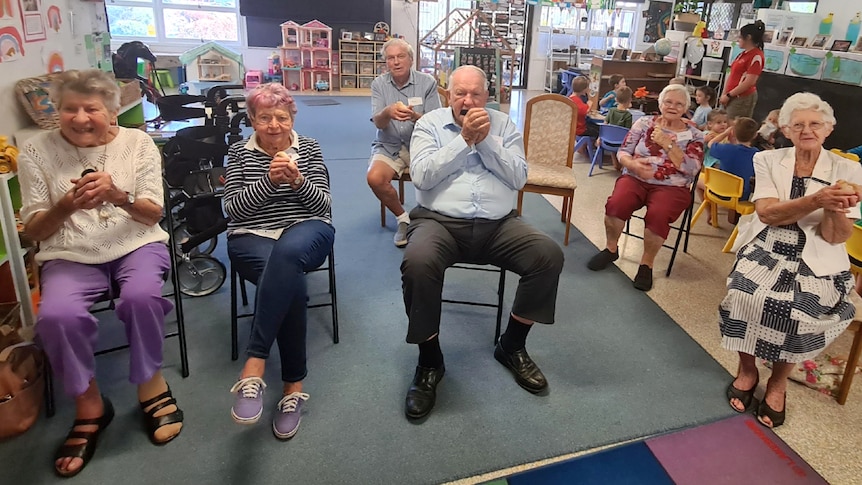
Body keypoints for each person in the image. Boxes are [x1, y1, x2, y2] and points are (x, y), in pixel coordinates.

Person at [17, 69, 183, 477]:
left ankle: (150, 383)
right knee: (55, 316)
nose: (79, 117)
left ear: (111, 112)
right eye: (69, 108)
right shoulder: (35, 150)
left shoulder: (138, 143)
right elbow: (34, 232)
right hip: (69, 253)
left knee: (141, 297)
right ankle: (89, 402)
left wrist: (117, 196)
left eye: (90, 108)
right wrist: (66, 206)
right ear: (57, 111)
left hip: (136, 243)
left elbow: (153, 214)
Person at [401, 65, 564, 420]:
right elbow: (422, 177)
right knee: (418, 262)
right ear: (448, 95)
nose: (467, 100)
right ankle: (430, 362)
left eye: (475, 94)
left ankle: (512, 345)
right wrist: (463, 141)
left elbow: (519, 178)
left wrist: (485, 141)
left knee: (548, 254)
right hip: (439, 222)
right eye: (460, 93)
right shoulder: (429, 124)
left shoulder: (504, 125)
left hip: (498, 225)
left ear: (487, 97)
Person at [720, 92, 862, 428]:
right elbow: (767, 214)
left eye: (815, 123)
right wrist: (817, 198)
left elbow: (836, 236)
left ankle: (778, 381)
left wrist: (833, 207)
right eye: (798, 124)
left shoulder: (849, 169)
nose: (807, 130)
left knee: (799, 311)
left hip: (819, 251)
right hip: (768, 242)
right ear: (785, 128)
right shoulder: (769, 159)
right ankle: (748, 368)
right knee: (743, 295)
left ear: (828, 129)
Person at [224, 83, 334, 440]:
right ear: (252, 120)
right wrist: (269, 184)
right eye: (264, 118)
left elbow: (322, 207)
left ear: (292, 118)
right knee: (293, 282)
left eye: (281, 118)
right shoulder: (239, 153)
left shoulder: (311, 148)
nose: (273, 126)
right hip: (251, 236)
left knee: (288, 253)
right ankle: (292, 389)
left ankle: (254, 364)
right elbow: (232, 211)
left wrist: (298, 181)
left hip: (306, 229)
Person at [587, 84, 705, 291]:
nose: (672, 106)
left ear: (686, 107)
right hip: (635, 178)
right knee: (616, 204)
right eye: (668, 101)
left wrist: (668, 144)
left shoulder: (695, 135)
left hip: (672, 187)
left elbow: (692, 169)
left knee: (658, 214)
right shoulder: (643, 123)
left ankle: (646, 264)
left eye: (679, 104)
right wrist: (632, 165)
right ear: (660, 103)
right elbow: (624, 151)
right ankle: (611, 248)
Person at [367, 38, 441, 247]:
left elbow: (438, 121)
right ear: (386, 62)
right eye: (391, 58)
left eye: (401, 57)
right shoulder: (378, 84)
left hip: (421, 143)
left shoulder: (428, 82)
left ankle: (433, 219)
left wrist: (416, 117)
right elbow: (379, 124)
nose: (396, 62)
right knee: (374, 178)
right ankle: (403, 218)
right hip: (389, 144)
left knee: (439, 173)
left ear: (410, 59)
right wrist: (388, 112)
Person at [720, 20, 766, 119]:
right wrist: (724, 93)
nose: (738, 39)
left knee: (733, 127)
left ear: (748, 37)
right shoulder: (743, 54)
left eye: (740, 37)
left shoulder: (756, 56)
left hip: (741, 98)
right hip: (731, 95)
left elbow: (749, 82)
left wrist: (729, 95)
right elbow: (732, 75)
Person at [708, 117, 759, 201]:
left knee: (697, 181)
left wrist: (725, 133)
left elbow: (710, 144)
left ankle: (709, 211)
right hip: (740, 196)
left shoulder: (726, 149)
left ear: (733, 133)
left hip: (718, 190)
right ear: (755, 135)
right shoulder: (756, 154)